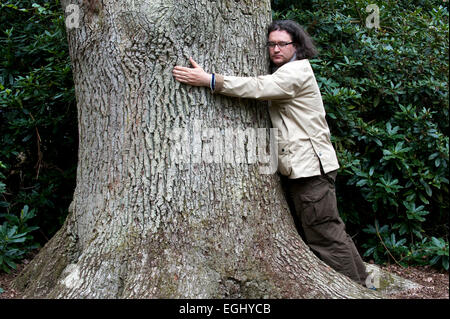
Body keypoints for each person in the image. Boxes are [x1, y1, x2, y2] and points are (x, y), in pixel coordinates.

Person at [172, 20, 371, 287]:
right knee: (329, 231)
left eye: (282, 44)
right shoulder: (287, 71)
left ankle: (354, 289)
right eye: (271, 44)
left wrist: (210, 80)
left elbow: (258, 88)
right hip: (306, 167)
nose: (275, 49)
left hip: (311, 169)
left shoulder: (296, 72)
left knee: (325, 235)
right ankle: (362, 285)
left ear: (297, 46)